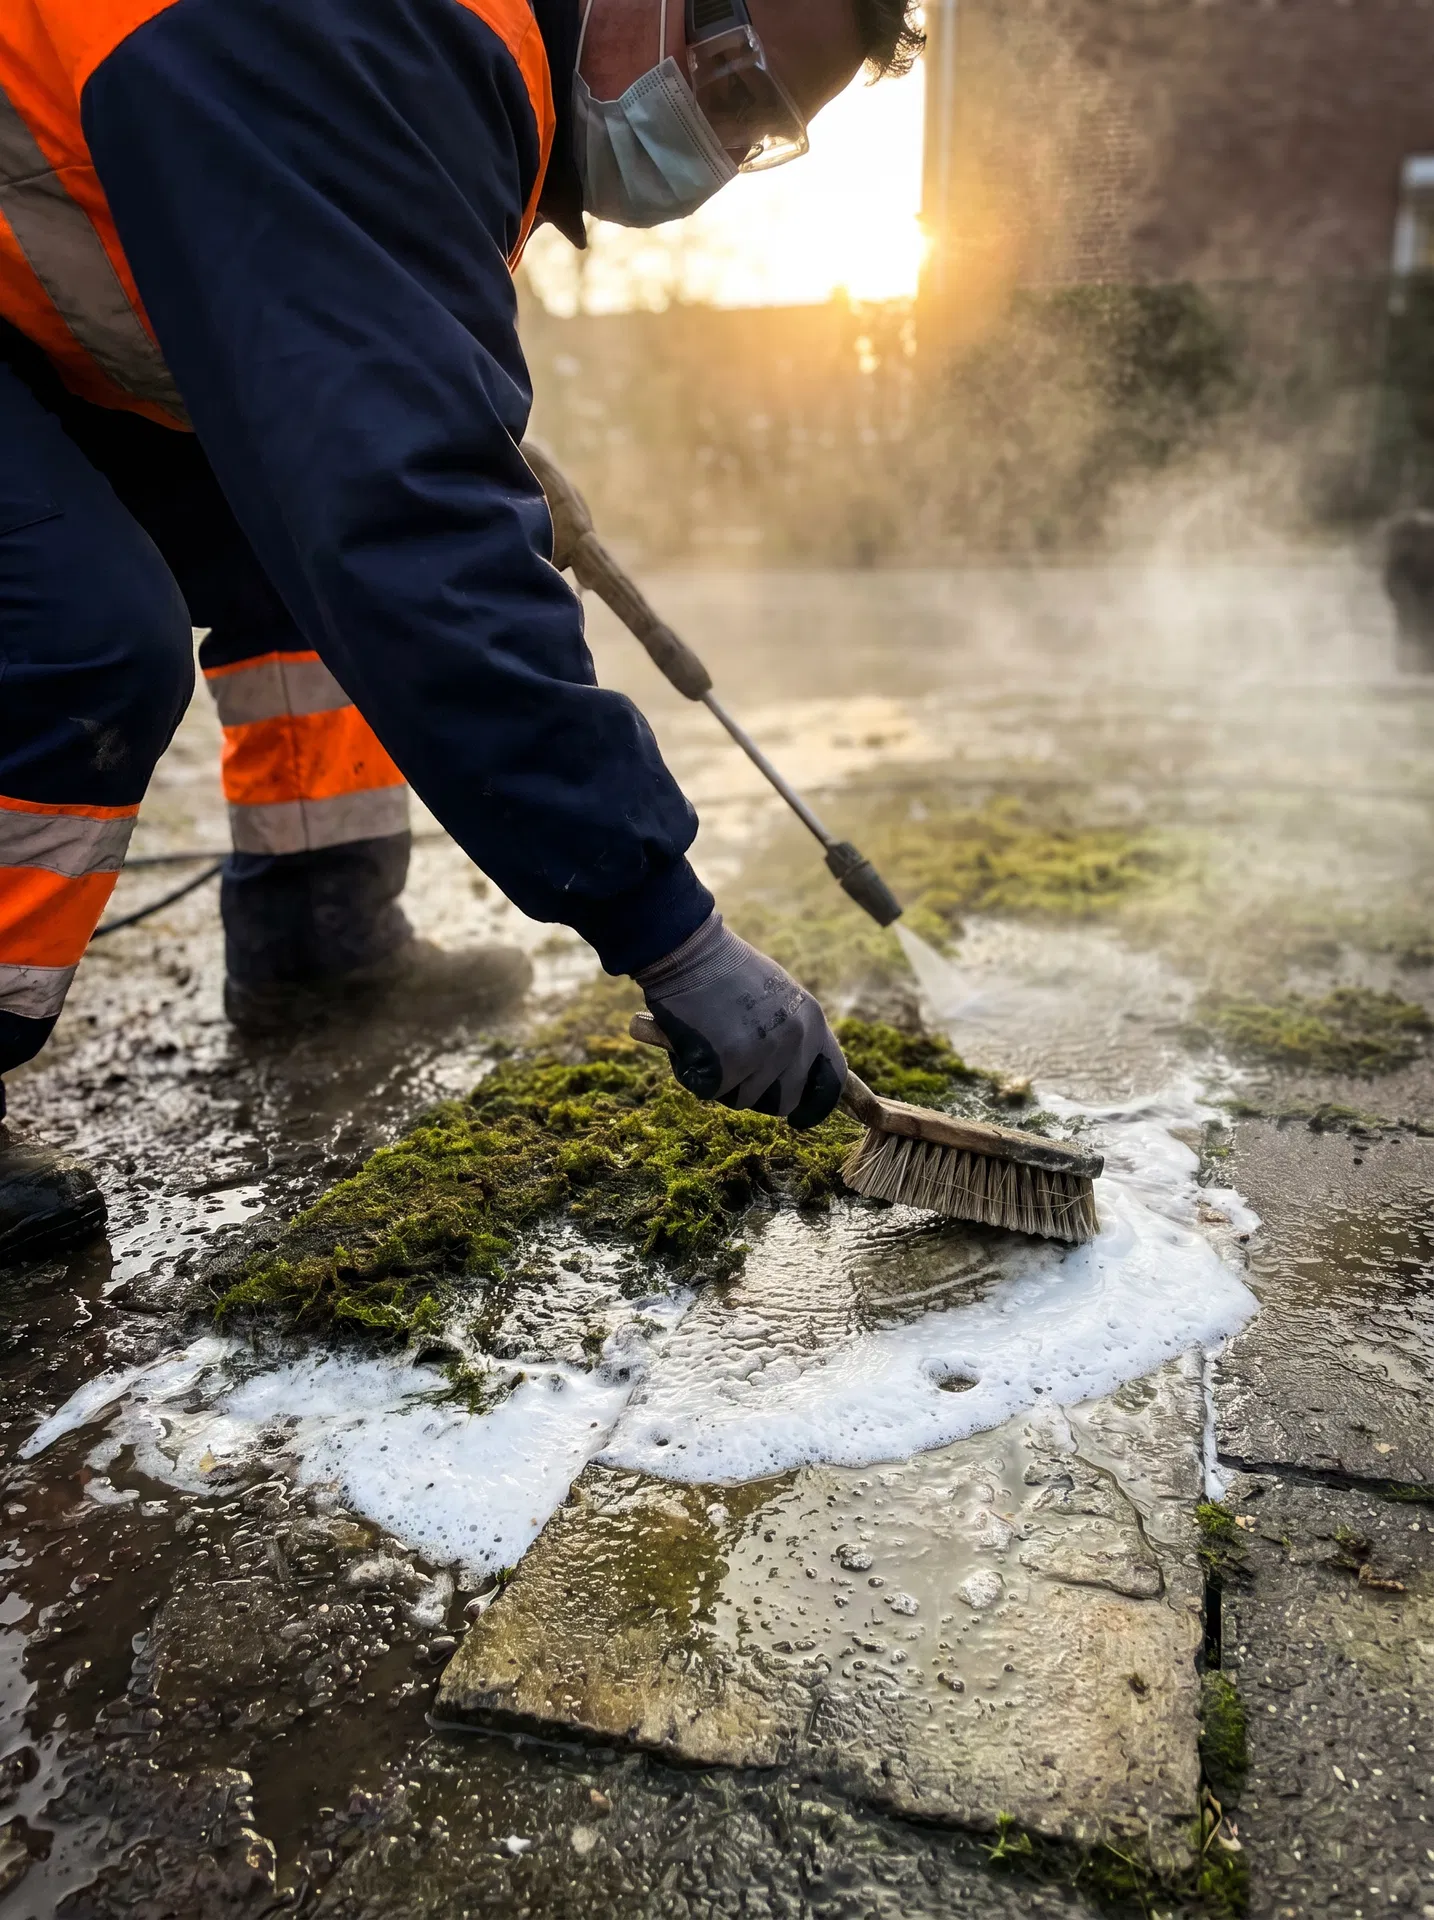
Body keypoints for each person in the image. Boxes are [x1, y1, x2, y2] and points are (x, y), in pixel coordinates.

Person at [0, 0, 923, 1259]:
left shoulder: (460, 79)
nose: (717, 144)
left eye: (761, 134)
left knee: (300, 538)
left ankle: (319, 929)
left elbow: (336, 374)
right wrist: (672, 933)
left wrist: (452, 443)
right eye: (734, 80)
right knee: (85, 640)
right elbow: (399, 516)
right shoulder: (385, 38)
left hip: (37, 344)